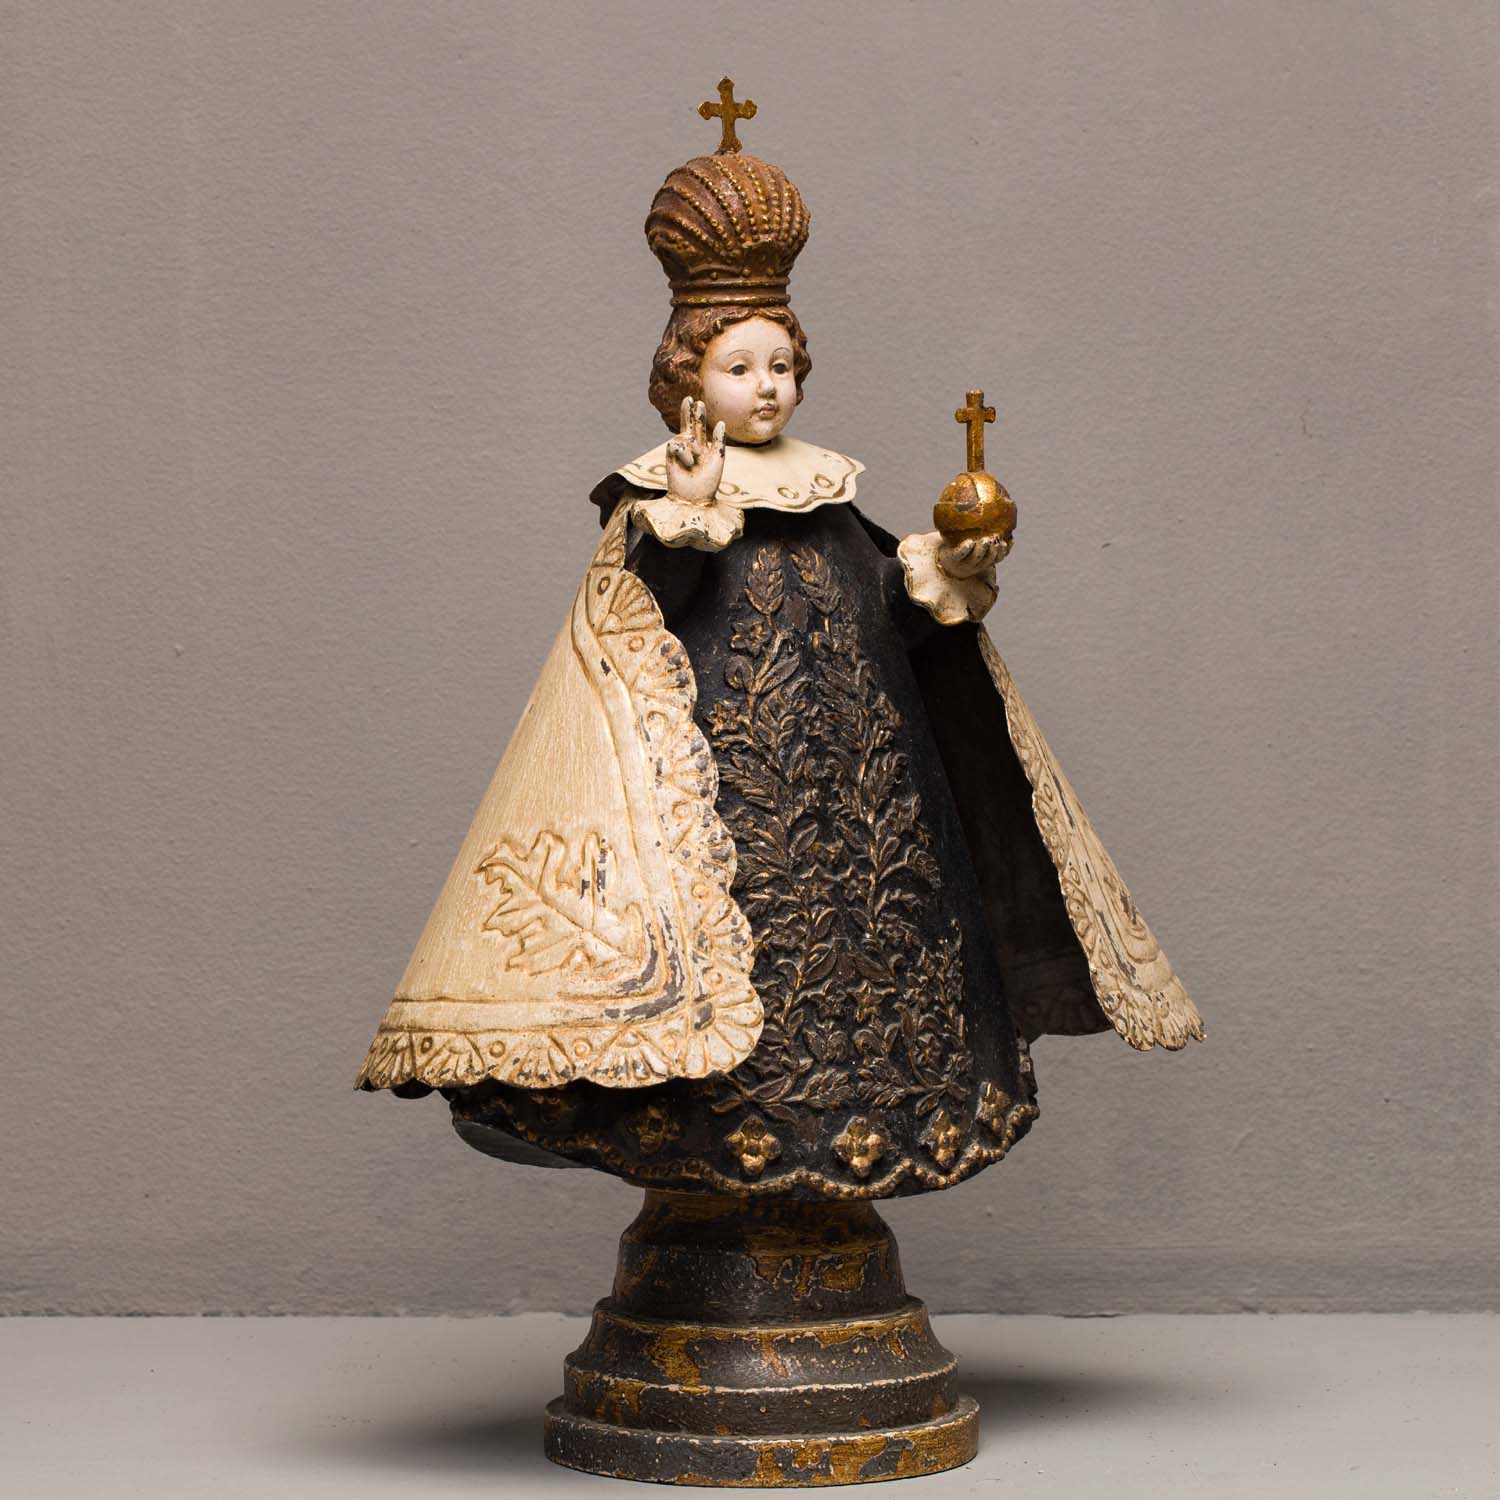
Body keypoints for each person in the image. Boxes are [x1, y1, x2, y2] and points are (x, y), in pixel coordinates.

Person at [357, 140, 1201, 1202]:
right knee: (734, 996)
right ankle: (709, 1185)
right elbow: (633, 628)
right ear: (687, 379)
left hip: (860, 811)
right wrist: (687, 516)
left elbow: (894, 619)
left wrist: (945, 574)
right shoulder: (661, 499)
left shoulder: (826, 492)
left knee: (871, 976)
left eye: (782, 366)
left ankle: (845, 1171)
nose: (767, 387)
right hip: (719, 820)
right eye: (739, 367)